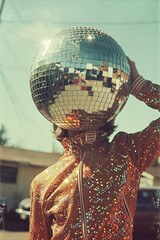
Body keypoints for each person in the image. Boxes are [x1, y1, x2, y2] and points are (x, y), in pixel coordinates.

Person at [29, 58, 160, 240]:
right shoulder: (42, 182)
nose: (81, 106)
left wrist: (138, 85)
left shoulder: (127, 152)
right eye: (71, 95)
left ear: (106, 108)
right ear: (56, 111)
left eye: (91, 95)